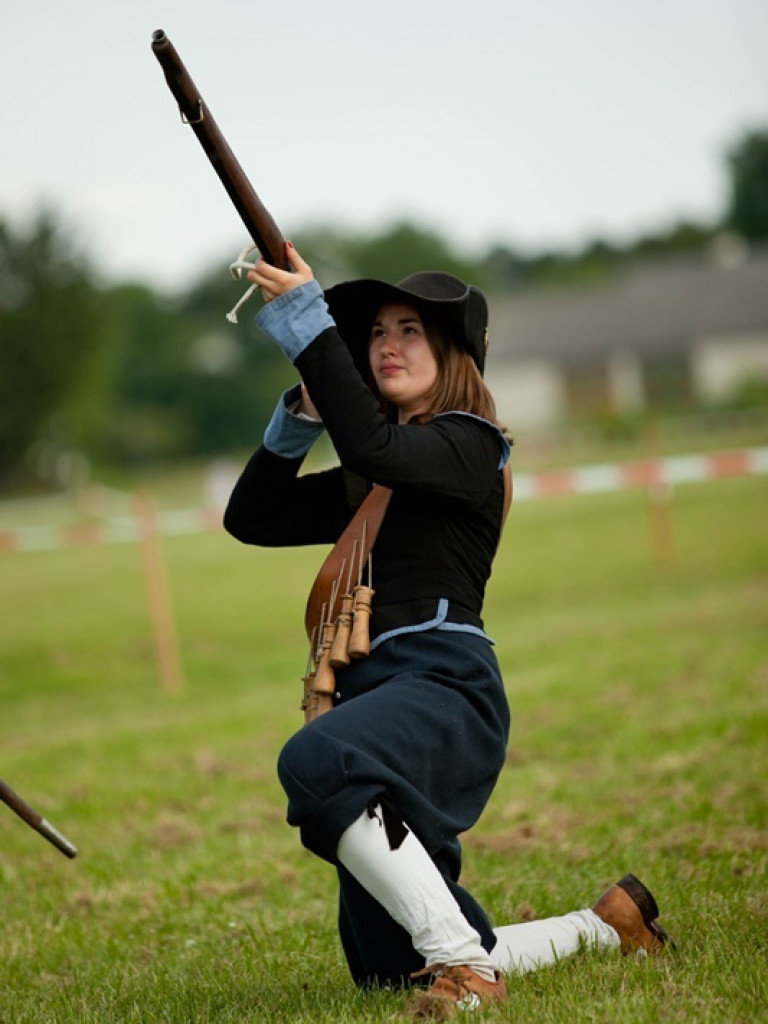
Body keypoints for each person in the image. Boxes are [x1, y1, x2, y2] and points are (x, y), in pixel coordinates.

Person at [223, 243, 670, 1018]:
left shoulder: (472, 445)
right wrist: (305, 406)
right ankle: (605, 929)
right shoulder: (380, 473)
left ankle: (466, 965)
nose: (386, 345)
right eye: (375, 334)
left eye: (410, 331)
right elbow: (251, 517)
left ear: (454, 354)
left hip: (446, 689)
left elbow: (377, 445)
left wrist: (306, 321)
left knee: (314, 760)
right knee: (387, 972)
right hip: (380, 701)